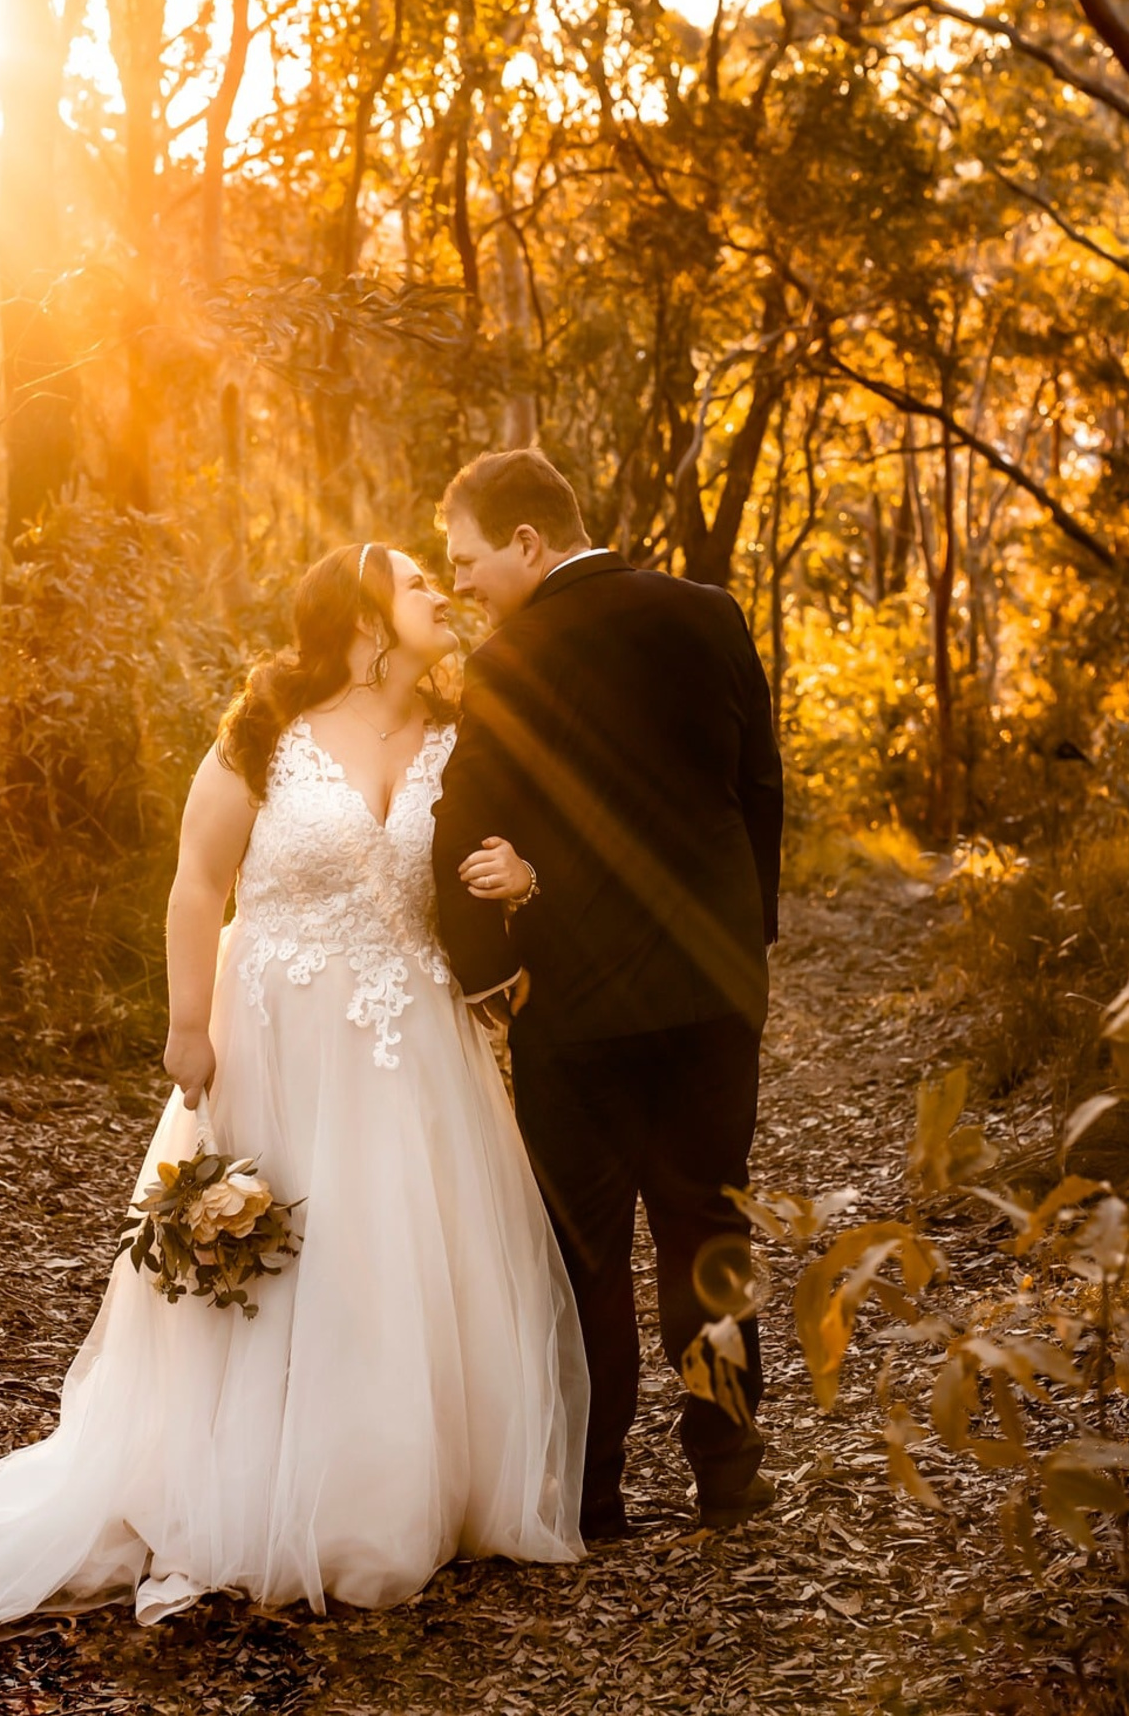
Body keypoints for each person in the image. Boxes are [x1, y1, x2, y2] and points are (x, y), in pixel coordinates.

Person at [0, 544, 586, 1642]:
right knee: (272, 1256)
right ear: (367, 617)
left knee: (400, 1257)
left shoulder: (461, 737)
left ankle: (385, 1491)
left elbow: (507, 847)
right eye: (419, 585)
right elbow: (196, 877)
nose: (441, 597)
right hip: (277, 1032)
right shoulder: (264, 733)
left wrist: (520, 875)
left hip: (417, 1039)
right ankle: (227, 1492)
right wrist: (190, 1021)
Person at [430, 449, 784, 1539]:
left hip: (572, 1007)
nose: (464, 585)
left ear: (530, 541)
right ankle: (726, 1475)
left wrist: (491, 974)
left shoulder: (504, 664)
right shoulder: (710, 614)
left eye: (471, 560)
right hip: (711, 995)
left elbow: (459, 836)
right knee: (708, 1230)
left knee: (587, 1251)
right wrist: (744, 939)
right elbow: (760, 787)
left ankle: (593, 1492)